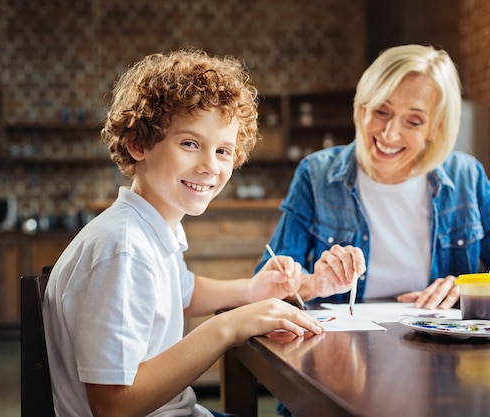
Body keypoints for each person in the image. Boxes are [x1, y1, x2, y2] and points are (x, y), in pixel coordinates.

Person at [42, 49, 323, 417]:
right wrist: (228, 326)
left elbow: (181, 292)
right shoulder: (123, 247)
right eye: (190, 143)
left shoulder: (148, 229)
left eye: (224, 150)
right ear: (138, 143)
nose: (210, 166)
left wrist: (252, 291)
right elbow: (112, 406)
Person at [257, 44, 490, 312]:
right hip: (343, 352)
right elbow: (266, 285)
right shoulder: (316, 174)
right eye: (382, 111)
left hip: (445, 352)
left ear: (435, 128)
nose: (390, 134)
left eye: (414, 121)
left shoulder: (466, 176)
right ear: (362, 108)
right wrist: (312, 284)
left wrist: (471, 287)